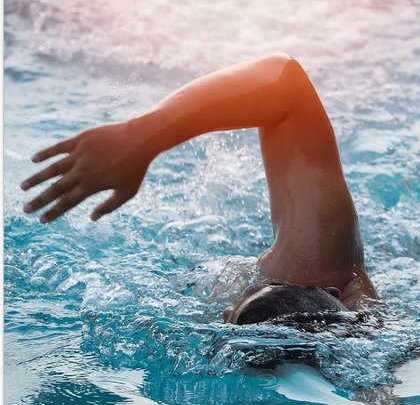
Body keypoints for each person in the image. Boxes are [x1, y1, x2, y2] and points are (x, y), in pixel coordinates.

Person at [21, 52, 378, 324]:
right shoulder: (317, 270)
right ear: (328, 295)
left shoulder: (308, 285)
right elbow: (285, 83)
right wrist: (138, 138)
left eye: (228, 320)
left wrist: (140, 137)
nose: (223, 312)